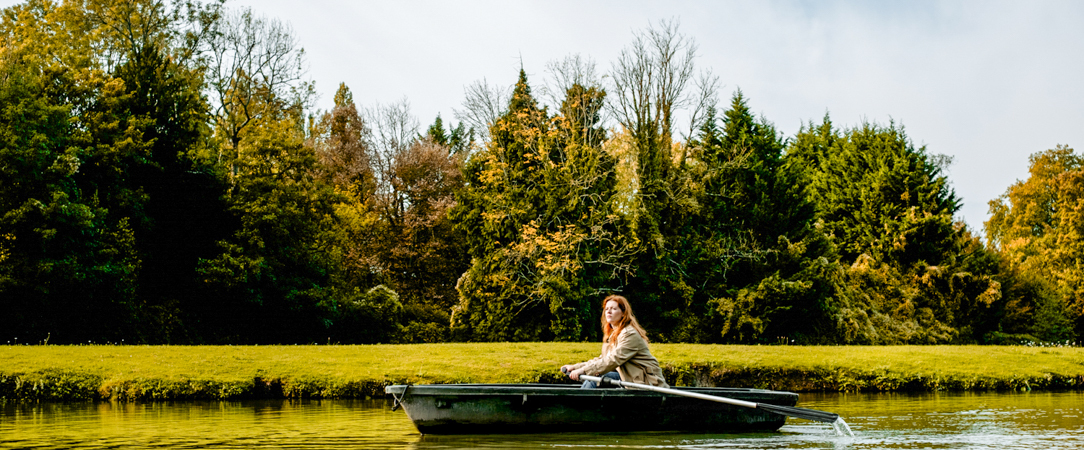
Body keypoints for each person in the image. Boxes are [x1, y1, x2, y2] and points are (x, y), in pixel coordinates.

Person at [560, 295, 669, 389]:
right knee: (595, 377)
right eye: (606, 309)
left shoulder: (630, 334)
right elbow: (603, 359)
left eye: (613, 309)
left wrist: (584, 371)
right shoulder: (614, 334)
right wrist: (576, 367)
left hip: (645, 382)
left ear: (623, 313)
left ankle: (578, 409)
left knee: (595, 378)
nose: (609, 311)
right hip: (628, 378)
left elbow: (613, 359)